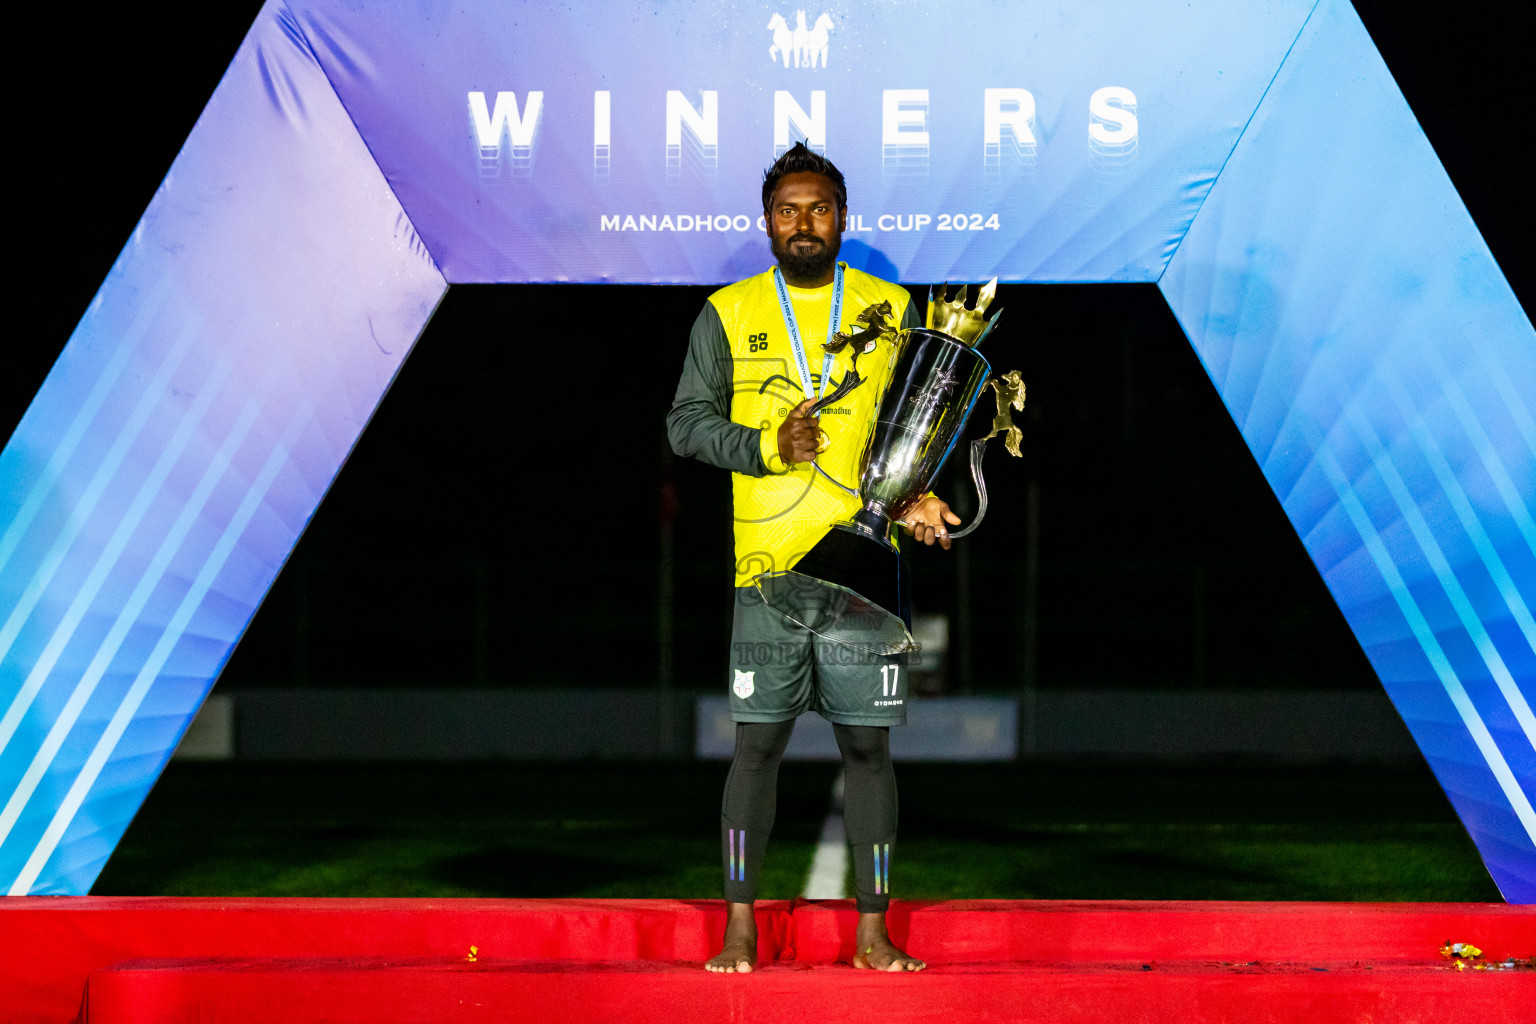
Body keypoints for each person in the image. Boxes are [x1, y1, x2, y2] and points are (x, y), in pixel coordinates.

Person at [667, 143, 960, 973]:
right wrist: (766, 442)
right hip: (766, 570)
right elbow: (684, 425)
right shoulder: (725, 313)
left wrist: (919, 492)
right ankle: (739, 926)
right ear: (767, 221)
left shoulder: (892, 307)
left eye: (820, 208)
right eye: (789, 209)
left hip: (864, 566)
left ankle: (873, 932)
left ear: (843, 218)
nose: (804, 223)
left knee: (868, 750)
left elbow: (913, 428)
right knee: (756, 747)